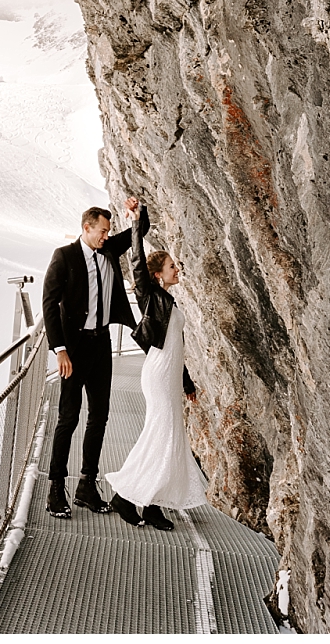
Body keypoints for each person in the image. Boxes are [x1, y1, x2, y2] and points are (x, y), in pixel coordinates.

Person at [42, 197, 144, 519]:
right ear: (86, 228)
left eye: (108, 231)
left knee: (99, 417)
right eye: (101, 231)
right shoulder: (65, 256)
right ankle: (56, 488)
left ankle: (87, 485)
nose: (106, 236)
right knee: (68, 418)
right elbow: (48, 303)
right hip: (73, 350)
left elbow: (141, 229)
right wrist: (60, 350)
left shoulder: (109, 249)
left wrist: (136, 213)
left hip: (101, 347)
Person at [105, 224, 207, 530]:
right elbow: (137, 263)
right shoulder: (151, 296)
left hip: (170, 375)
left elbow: (178, 347)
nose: (178, 269)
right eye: (172, 265)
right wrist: (135, 223)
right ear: (158, 274)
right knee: (160, 437)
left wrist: (187, 383)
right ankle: (134, 498)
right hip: (159, 375)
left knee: (167, 438)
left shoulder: (169, 301)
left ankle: (149, 502)